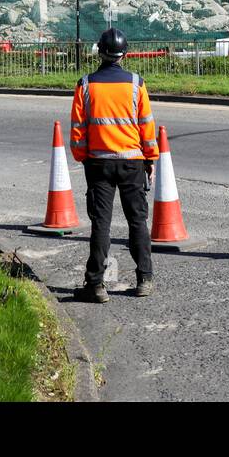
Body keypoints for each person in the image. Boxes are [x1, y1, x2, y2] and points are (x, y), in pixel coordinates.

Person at [69, 27, 159, 301]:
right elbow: (146, 125)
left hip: (99, 164)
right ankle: (144, 279)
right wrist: (150, 158)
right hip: (132, 162)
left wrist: (83, 157)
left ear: (99, 52)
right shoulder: (136, 84)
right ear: (124, 53)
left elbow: (77, 130)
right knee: (138, 222)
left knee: (101, 224)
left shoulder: (85, 84)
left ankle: (96, 285)